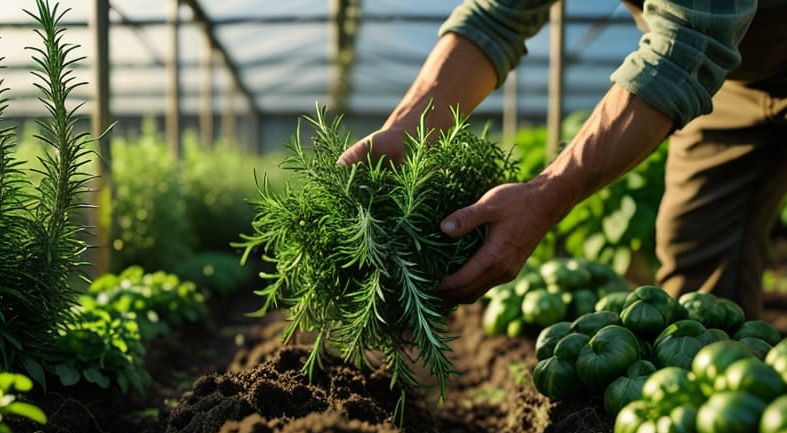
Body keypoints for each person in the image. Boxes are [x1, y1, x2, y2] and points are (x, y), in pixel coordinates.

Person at [337, 0, 787, 319]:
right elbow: (496, 18)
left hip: (712, 45)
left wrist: (548, 193)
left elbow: (689, 38)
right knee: (698, 272)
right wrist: (406, 127)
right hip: (738, 78)